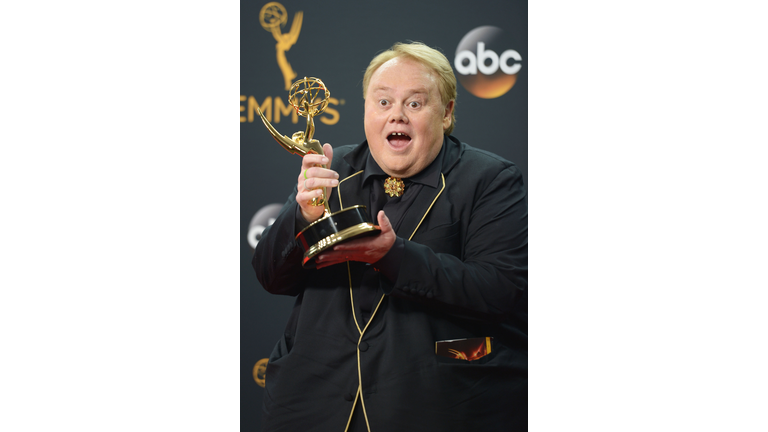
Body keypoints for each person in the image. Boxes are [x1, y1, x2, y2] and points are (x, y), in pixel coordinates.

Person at [253, 41, 527, 432]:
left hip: (433, 406)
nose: (396, 115)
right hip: (312, 404)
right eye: (383, 102)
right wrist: (302, 216)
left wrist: (392, 255)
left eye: (414, 104)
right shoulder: (333, 169)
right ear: (366, 109)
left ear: (446, 113)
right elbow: (270, 277)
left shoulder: (489, 179)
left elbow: (501, 289)